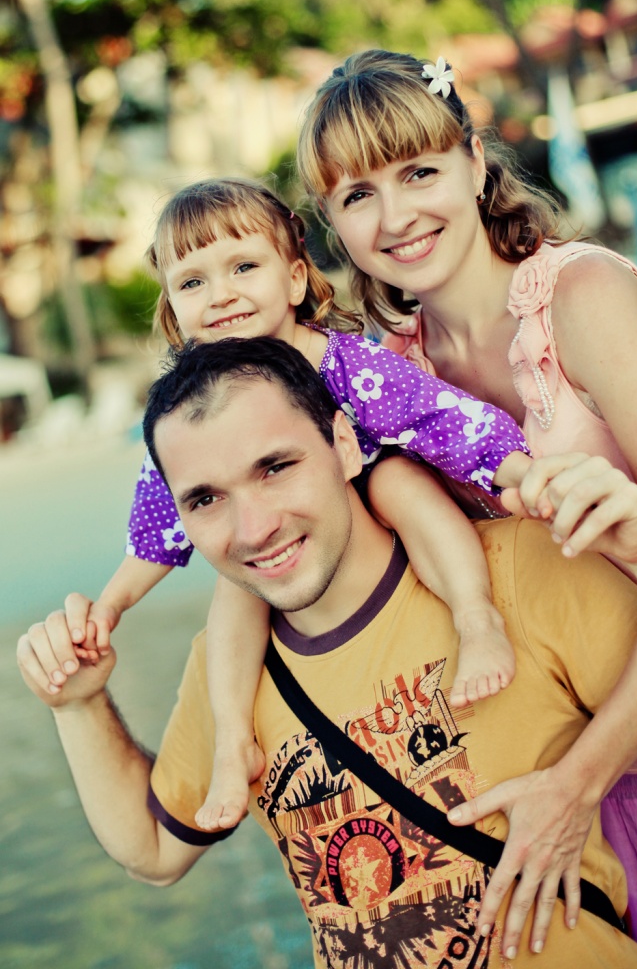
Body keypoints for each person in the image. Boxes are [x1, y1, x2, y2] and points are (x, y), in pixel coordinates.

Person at [17, 337, 637, 968]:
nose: (254, 529)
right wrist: (78, 705)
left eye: (275, 467)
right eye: (206, 499)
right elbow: (155, 851)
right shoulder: (227, 669)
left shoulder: (522, 571)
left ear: (343, 444)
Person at [296, 48, 637, 967]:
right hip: (568, 805)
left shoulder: (580, 298)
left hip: (629, 770)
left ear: (474, 162)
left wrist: (575, 784)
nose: (395, 217)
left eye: (417, 172)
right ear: (332, 224)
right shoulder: (391, 376)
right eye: (357, 196)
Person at [57, 178, 534, 838]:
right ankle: (233, 742)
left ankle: (475, 618)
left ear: (294, 279)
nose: (220, 294)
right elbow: (159, 526)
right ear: (172, 309)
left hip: (367, 497)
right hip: (286, 536)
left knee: (398, 480)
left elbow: (440, 419)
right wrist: (109, 608)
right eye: (192, 282)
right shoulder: (190, 409)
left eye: (243, 267)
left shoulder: (343, 362)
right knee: (236, 582)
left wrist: (526, 475)